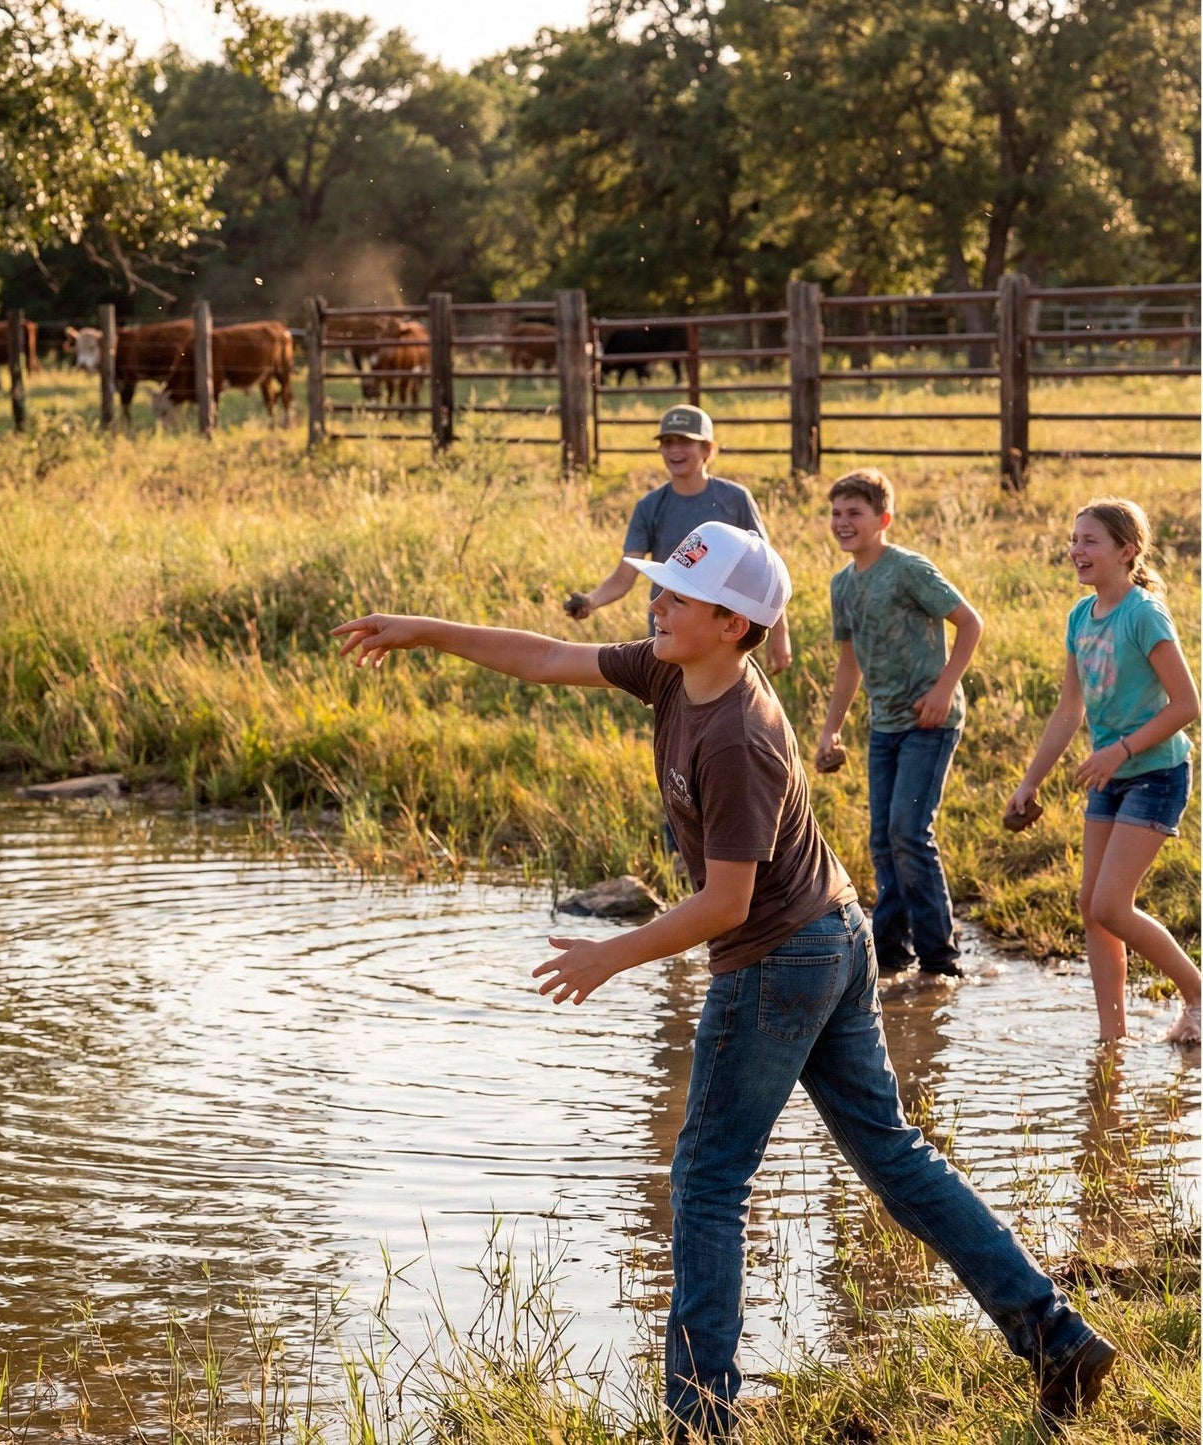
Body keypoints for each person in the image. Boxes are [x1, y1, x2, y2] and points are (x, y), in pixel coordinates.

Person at [334, 521, 1116, 1438]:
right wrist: (424, 629)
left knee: (706, 1179)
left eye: (674, 595)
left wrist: (605, 955)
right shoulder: (673, 667)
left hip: (781, 959)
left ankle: (699, 1416)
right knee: (894, 1160)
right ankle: (1056, 1336)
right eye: (660, 589)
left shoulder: (736, 735)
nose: (656, 604)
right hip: (828, 936)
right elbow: (546, 655)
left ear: (733, 623)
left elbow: (725, 904)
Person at [1007, 498, 1200, 1045]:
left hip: (1157, 773)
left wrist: (1119, 750)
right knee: (1091, 908)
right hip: (1110, 780)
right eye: (1074, 540)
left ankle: (1198, 992)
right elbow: (1069, 710)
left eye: (1090, 541)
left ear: (1127, 551)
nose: (1076, 551)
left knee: (1112, 904)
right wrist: (1030, 781)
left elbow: (1187, 705)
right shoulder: (1079, 617)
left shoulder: (1144, 614)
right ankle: (1112, 1040)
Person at [814, 468, 982, 977]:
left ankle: (941, 957)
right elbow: (850, 662)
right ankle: (890, 954)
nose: (843, 523)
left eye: (855, 514)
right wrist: (831, 728)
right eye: (836, 514)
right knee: (883, 838)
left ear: (882, 519)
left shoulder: (908, 569)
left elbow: (970, 622)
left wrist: (944, 687)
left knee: (910, 831)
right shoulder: (842, 584)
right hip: (883, 724)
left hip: (929, 721)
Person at [566, 404, 792, 673]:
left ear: (708, 449)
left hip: (721, 634)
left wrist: (780, 631)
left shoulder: (734, 499)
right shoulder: (650, 506)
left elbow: (765, 575)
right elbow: (625, 575)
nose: (674, 450)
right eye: (667, 442)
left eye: (685, 442)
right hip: (672, 629)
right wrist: (591, 601)